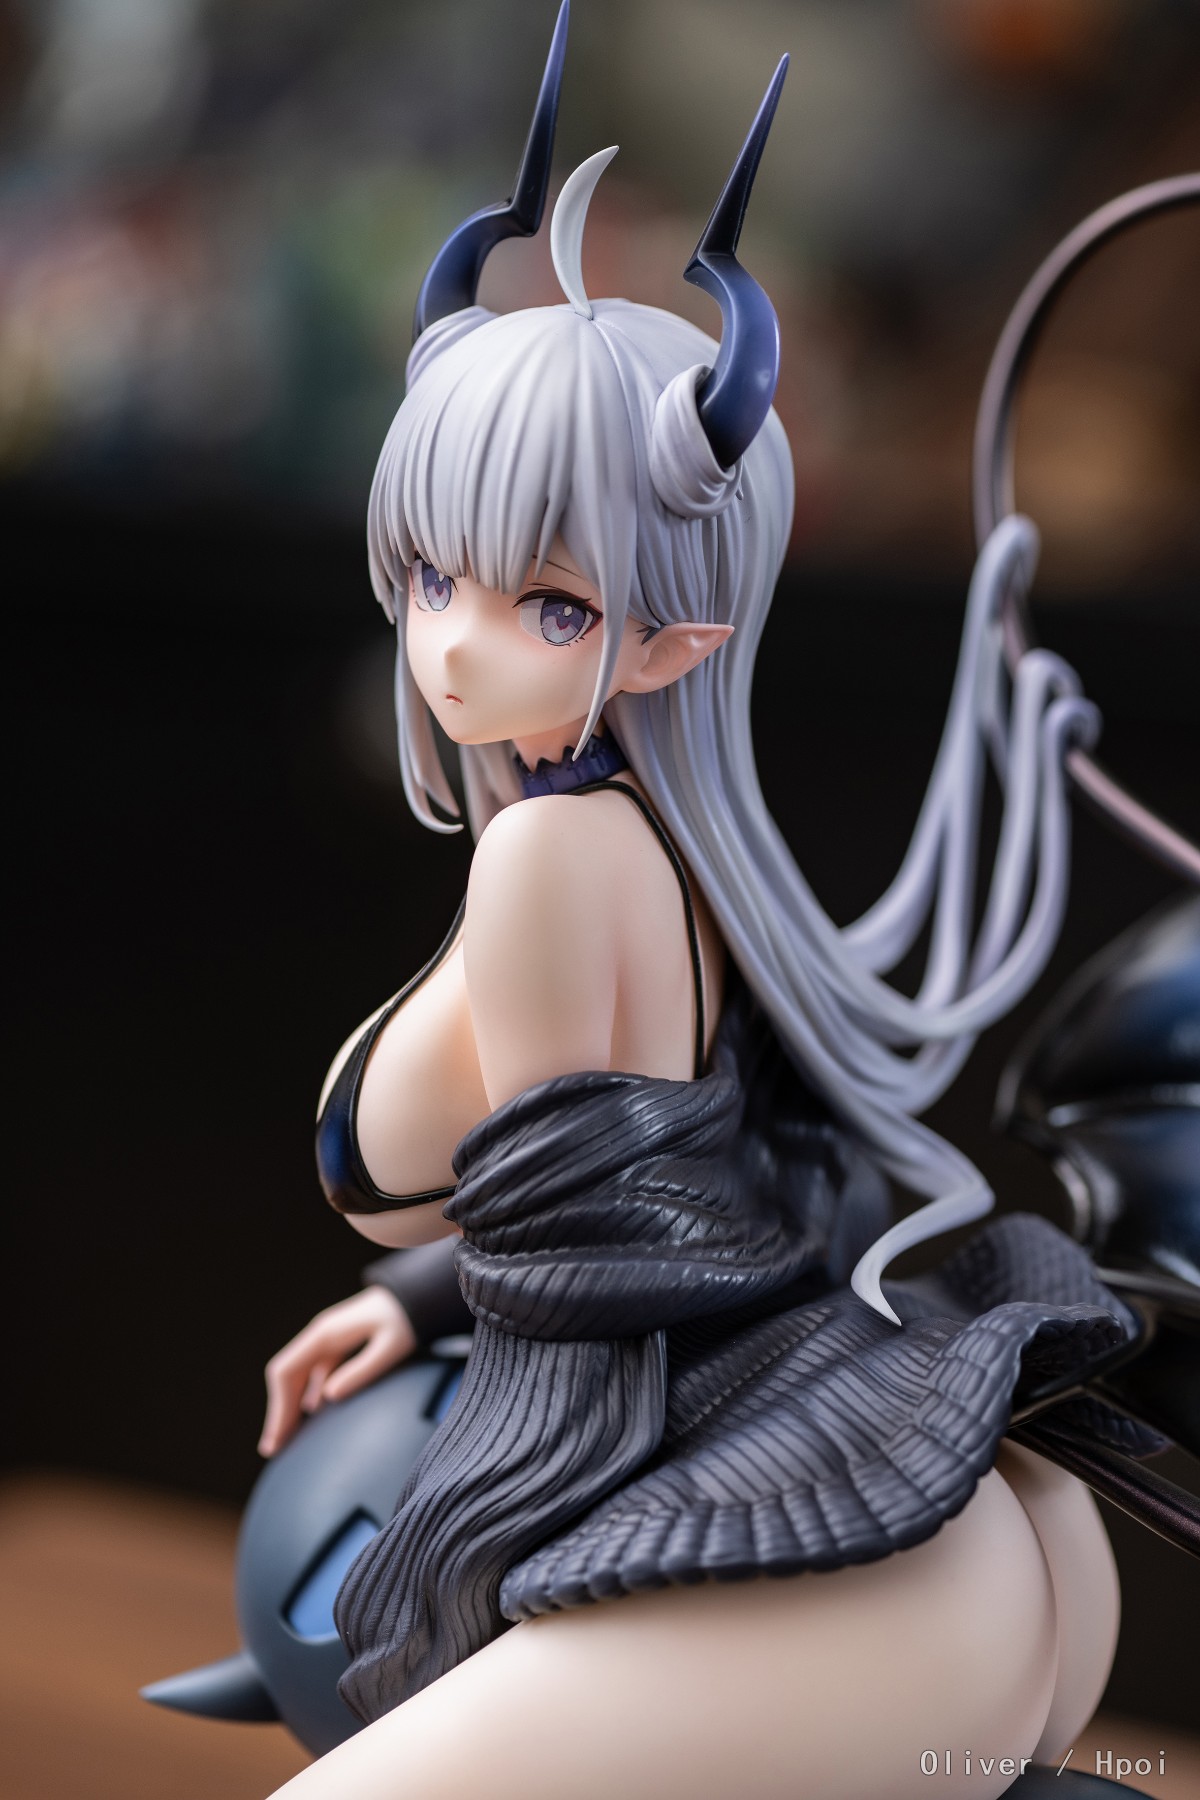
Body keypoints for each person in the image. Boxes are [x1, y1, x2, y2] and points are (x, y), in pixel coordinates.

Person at [251, 16, 1174, 1797]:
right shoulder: (671, 842)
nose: (455, 646)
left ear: (677, 638)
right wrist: (427, 1299)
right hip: (967, 1512)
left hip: (813, 1523)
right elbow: (642, 1173)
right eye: (432, 576)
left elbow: (591, 1256)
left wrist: (455, 1310)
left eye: (550, 603)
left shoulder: (547, 851)